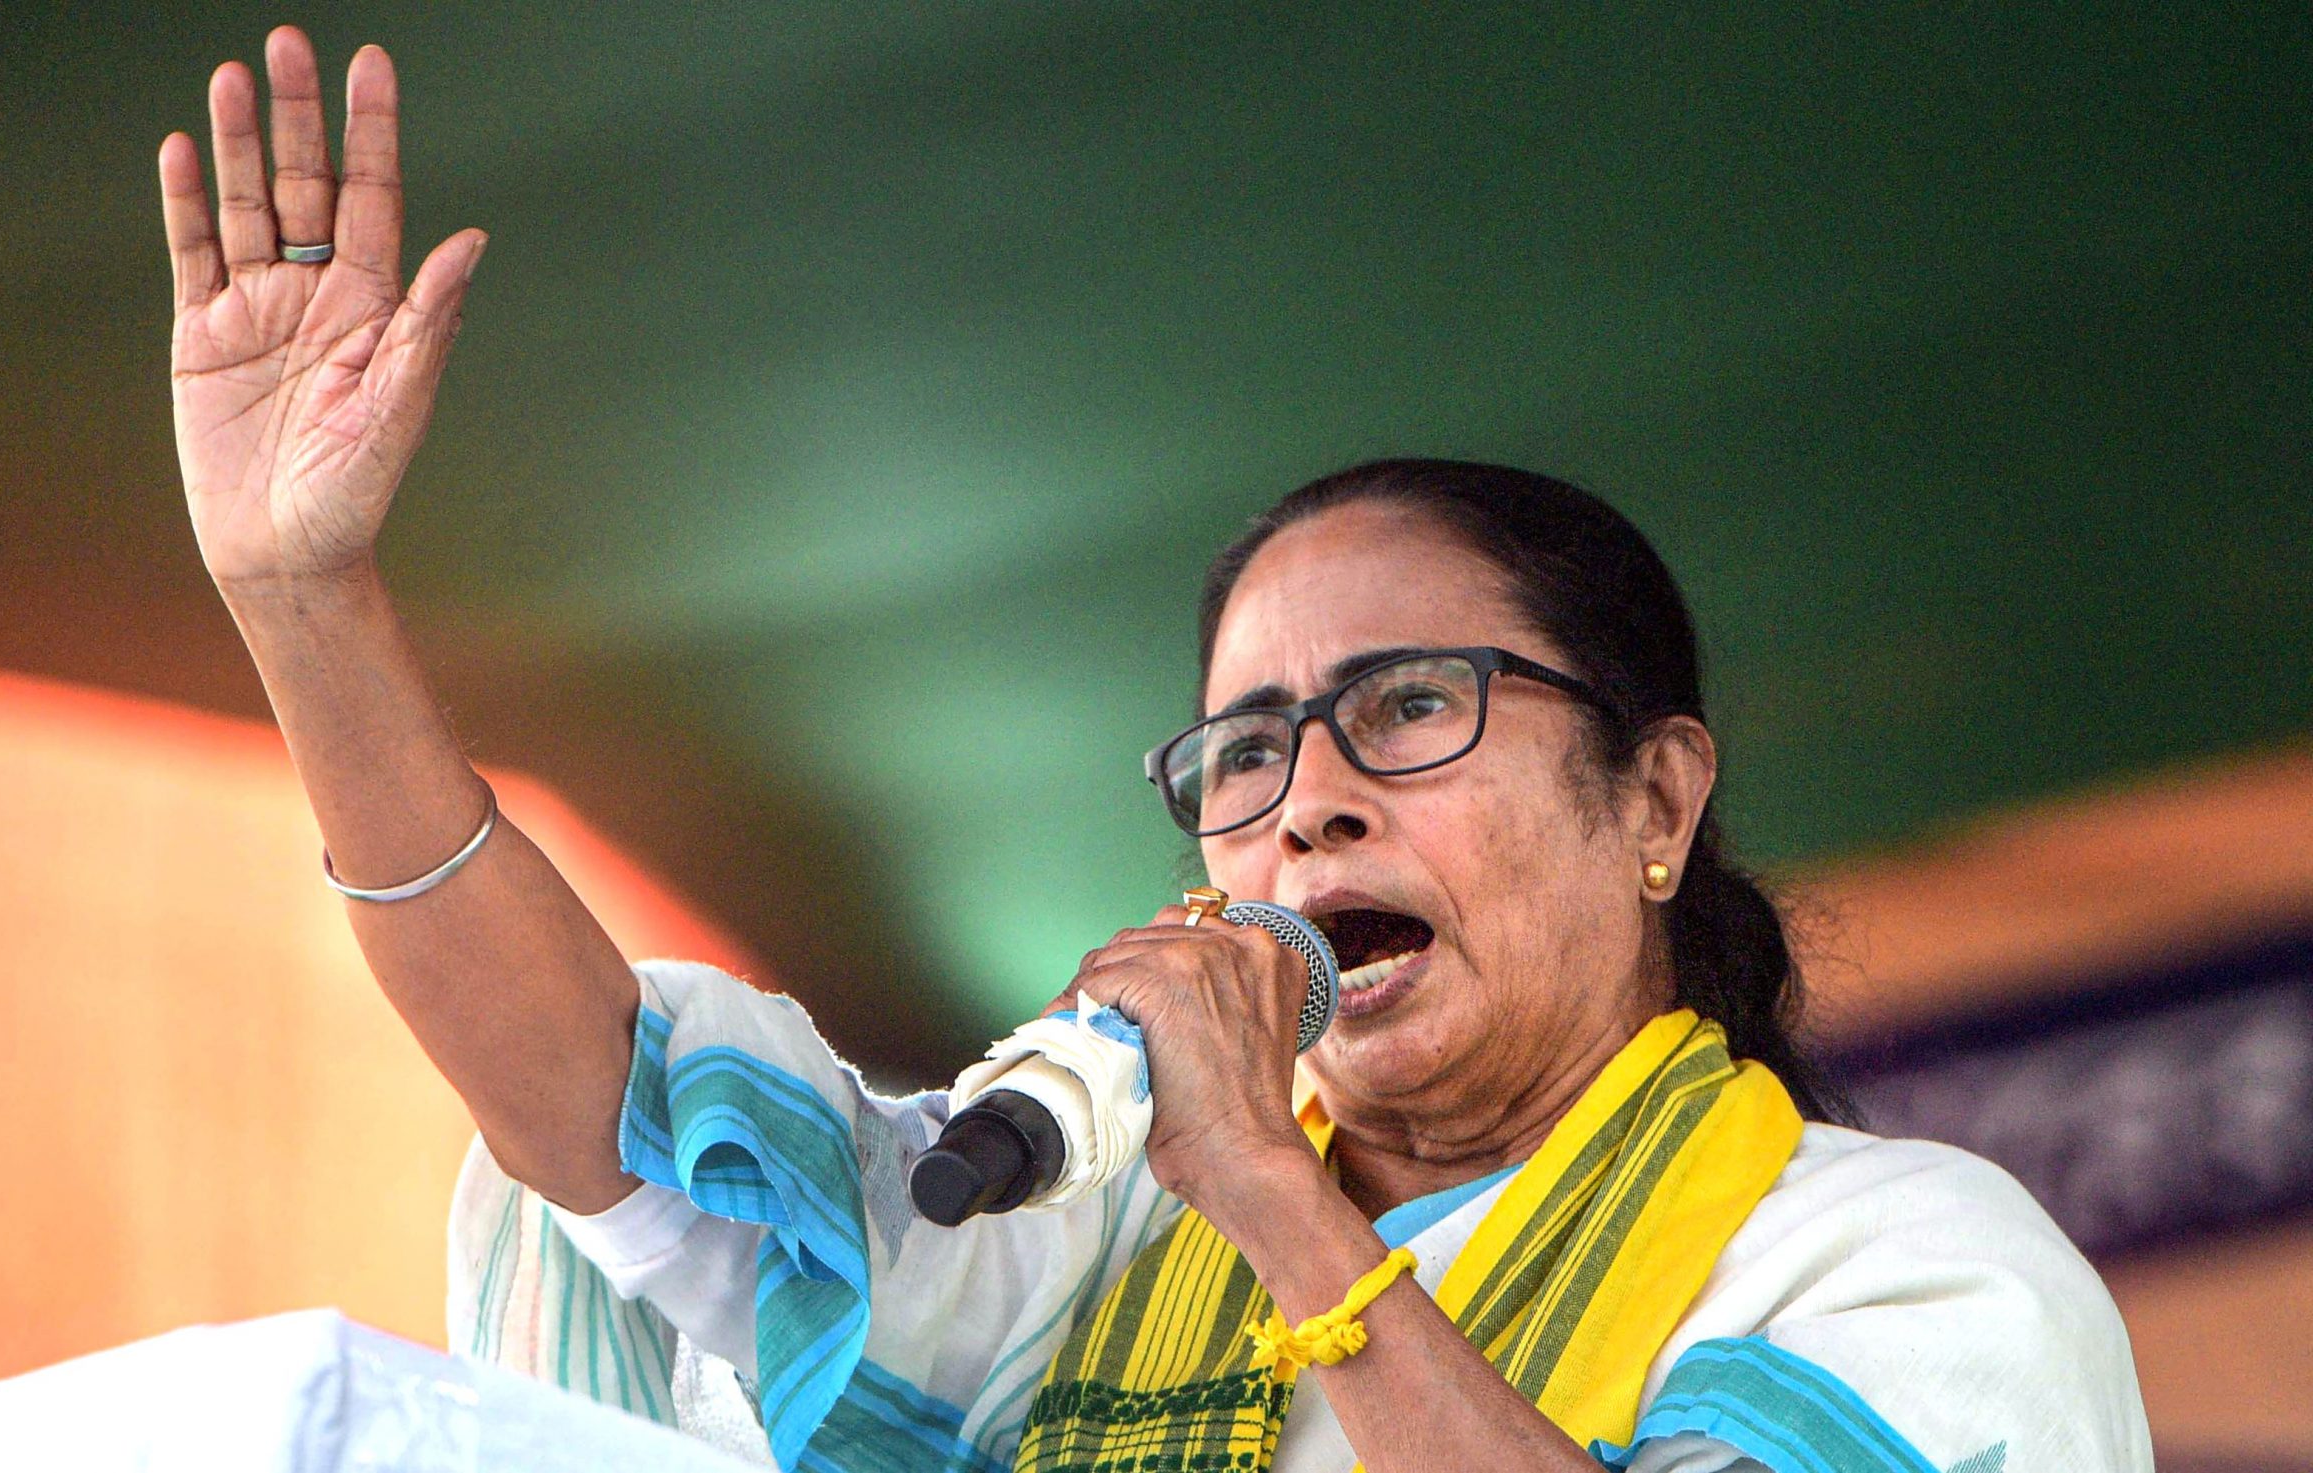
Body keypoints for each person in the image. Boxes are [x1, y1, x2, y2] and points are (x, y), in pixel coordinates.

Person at [156, 29, 2152, 1473]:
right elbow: (598, 1118)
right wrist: (303, 601)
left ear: (1654, 799)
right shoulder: (1074, 1250)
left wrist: (1278, 1200)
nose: (1309, 800)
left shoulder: (1894, 1265)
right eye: (1245, 751)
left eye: (1409, 706)